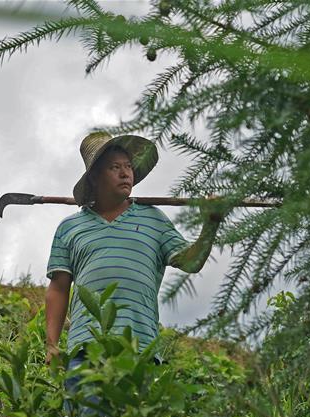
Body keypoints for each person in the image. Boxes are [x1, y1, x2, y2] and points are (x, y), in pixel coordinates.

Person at [44, 132, 228, 388]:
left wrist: (211, 225)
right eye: (115, 167)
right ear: (95, 177)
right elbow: (58, 288)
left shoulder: (153, 219)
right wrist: (52, 344)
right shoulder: (70, 228)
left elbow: (190, 262)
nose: (125, 173)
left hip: (139, 350)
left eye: (128, 166)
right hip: (86, 349)